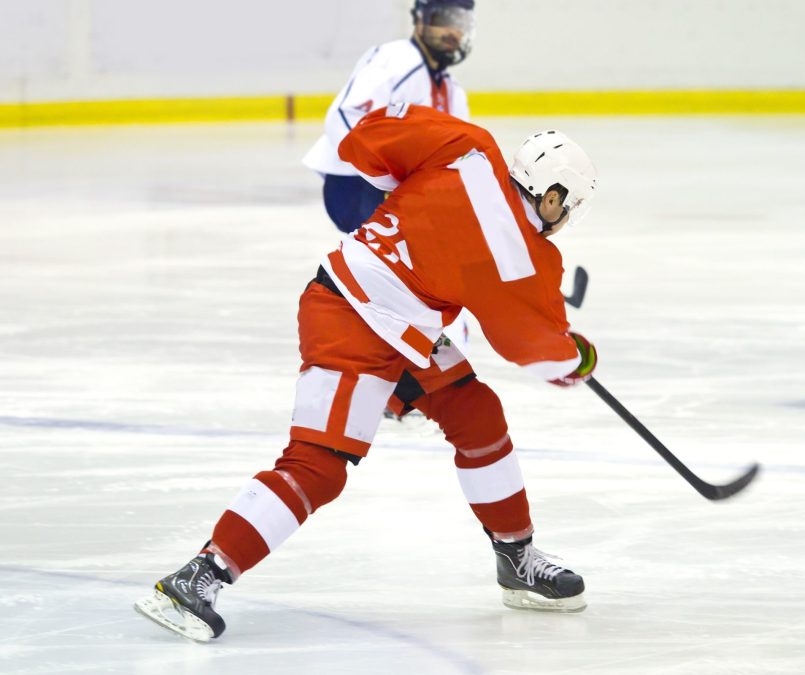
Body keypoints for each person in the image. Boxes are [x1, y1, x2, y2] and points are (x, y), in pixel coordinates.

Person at [134, 104, 601, 642]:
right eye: (569, 209)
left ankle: (515, 561)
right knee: (318, 466)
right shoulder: (526, 260)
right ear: (551, 197)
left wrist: (414, 210)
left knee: (477, 414)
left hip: (394, 322)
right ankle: (200, 576)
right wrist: (579, 358)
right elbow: (536, 349)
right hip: (351, 321)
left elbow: (365, 142)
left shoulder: (467, 147)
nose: (564, 223)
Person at [304, 0, 475, 351]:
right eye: (445, 19)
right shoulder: (396, 60)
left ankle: (411, 370)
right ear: (420, 20)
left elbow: (463, 163)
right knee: (409, 277)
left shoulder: (452, 91)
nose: (453, 30)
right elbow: (344, 117)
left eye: (462, 21)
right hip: (355, 185)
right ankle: (404, 368)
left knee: (425, 274)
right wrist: (386, 179)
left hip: (396, 194)